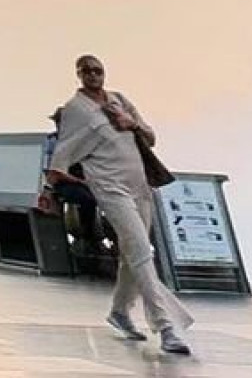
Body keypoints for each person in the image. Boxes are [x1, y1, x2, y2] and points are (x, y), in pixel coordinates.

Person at [44, 52, 194, 357]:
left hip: (139, 186)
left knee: (131, 254)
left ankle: (120, 311)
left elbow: (150, 138)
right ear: (78, 74)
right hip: (109, 188)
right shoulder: (76, 109)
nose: (93, 75)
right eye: (86, 71)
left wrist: (131, 124)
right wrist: (48, 189)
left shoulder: (120, 100)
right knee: (140, 250)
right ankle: (166, 327)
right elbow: (63, 152)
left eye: (97, 70)